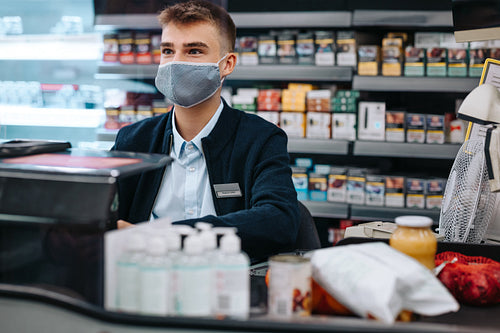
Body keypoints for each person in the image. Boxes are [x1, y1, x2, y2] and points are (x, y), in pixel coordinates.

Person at [111, 0, 300, 263]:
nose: (175, 63)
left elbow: (280, 220)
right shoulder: (134, 140)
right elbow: (100, 216)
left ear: (227, 64)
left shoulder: (260, 139)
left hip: (226, 285)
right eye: (168, 50)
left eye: (194, 51)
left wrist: (167, 237)